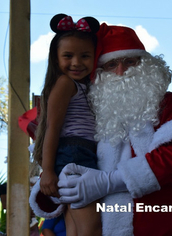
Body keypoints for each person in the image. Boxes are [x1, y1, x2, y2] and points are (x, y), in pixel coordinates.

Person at [45, 23, 172, 235]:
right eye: (111, 65)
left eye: (130, 62)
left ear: (146, 66)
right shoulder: (95, 114)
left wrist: (109, 182)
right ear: (99, 72)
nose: (121, 72)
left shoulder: (170, 104)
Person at [29, 14, 101, 236]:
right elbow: (52, 128)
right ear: (55, 58)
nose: (77, 62)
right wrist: (48, 170)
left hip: (79, 155)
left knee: (76, 228)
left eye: (85, 56)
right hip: (73, 155)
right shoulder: (64, 83)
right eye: (68, 56)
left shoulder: (83, 86)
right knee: (92, 227)